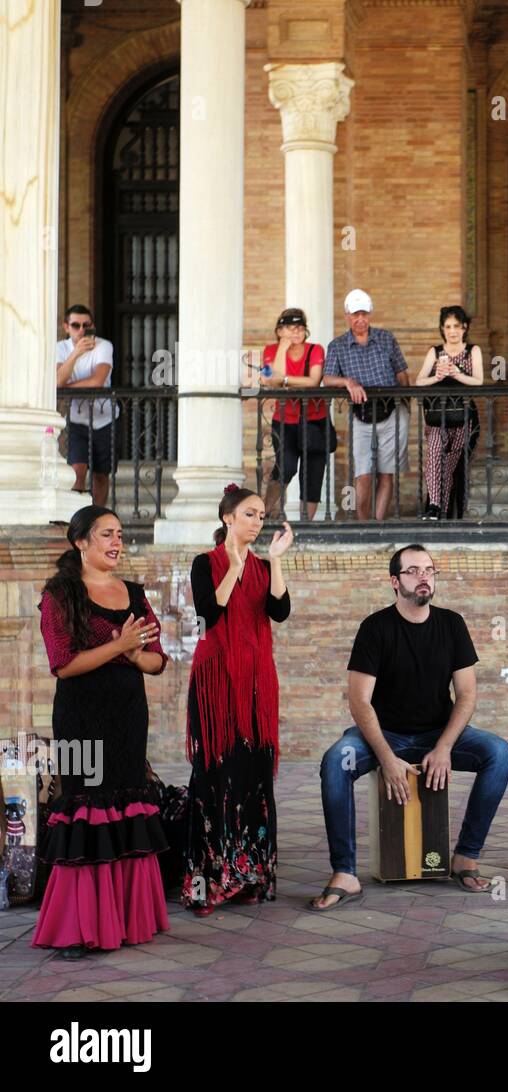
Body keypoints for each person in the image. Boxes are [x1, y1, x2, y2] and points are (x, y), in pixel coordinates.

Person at [312, 545, 508, 908]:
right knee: (335, 762)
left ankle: (466, 856)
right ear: (395, 581)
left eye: (430, 570)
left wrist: (445, 747)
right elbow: (359, 701)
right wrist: (387, 759)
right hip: (383, 735)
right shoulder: (375, 628)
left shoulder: (452, 625)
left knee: (498, 753)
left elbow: (466, 695)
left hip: (437, 733)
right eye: (414, 571)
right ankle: (345, 872)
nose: (424, 577)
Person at [32, 506, 170, 957]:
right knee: (82, 806)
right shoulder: (60, 594)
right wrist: (120, 645)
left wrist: (133, 655)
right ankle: (78, 928)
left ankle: (127, 920)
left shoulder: (133, 593)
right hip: (78, 721)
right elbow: (64, 664)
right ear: (81, 542)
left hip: (128, 717)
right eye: (106, 534)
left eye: (120, 534)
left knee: (125, 804)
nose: (117, 542)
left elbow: (157, 661)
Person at [181, 485, 294, 915]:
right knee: (214, 777)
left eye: (262, 516)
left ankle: (248, 877)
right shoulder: (204, 563)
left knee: (253, 779)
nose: (258, 522)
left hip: (257, 683)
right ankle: (206, 885)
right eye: (250, 514)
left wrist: (277, 561)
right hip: (217, 682)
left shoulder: (266, 567)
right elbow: (210, 611)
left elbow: (279, 612)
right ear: (228, 517)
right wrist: (233, 562)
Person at [323, 289, 411, 521]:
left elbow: (401, 373)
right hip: (361, 415)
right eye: (355, 314)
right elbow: (327, 378)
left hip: (391, 411)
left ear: (370, 314)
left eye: (364, 314)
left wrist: (406, 404)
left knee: (386, 473)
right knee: (363, 474)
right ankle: (363, 525)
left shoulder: (386, 338)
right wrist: (347, 381)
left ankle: (377, 525)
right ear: (347, 316)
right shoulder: (338, 346)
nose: (360, 319)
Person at [414, 306, 483, 521]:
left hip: (463, 417)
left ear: (464, 328)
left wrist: (456, 372)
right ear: (442, 329)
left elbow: (478, 381)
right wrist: (437, 376)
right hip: (438, 417)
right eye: (447, 327)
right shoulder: (435, 352)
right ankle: (434, 505)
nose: (452, 331)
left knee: (450, 464)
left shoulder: (473, 350)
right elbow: (419, 381)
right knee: (434, 452)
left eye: (456, 326)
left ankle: (443, 511)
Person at [261, 307, 328, 521]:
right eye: (290, 328)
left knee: (313, 473)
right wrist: (283, 347)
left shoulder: (315, 350)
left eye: (300, 327)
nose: (296, 332)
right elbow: (271, 379)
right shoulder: (270, 351)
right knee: (285, 467)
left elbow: (314, 381)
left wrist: (286, 380)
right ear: (280, 330)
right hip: (284, 420)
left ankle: (305, 524)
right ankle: (264, 513)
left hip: (315, 420)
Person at [55, 305, 118, 507]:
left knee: (101, 474)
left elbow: (97, 381)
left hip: (105, 418)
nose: (81, 330)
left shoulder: (103, 346)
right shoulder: (60, 348)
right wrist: (76, 354)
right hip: (76, 419)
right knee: (77, 471)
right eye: (75, 325)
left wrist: (69, 387)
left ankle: (98, 517)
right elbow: (56, 382)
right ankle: (78, 518)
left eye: (86, 325)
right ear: (66, 327)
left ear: (93, 326)